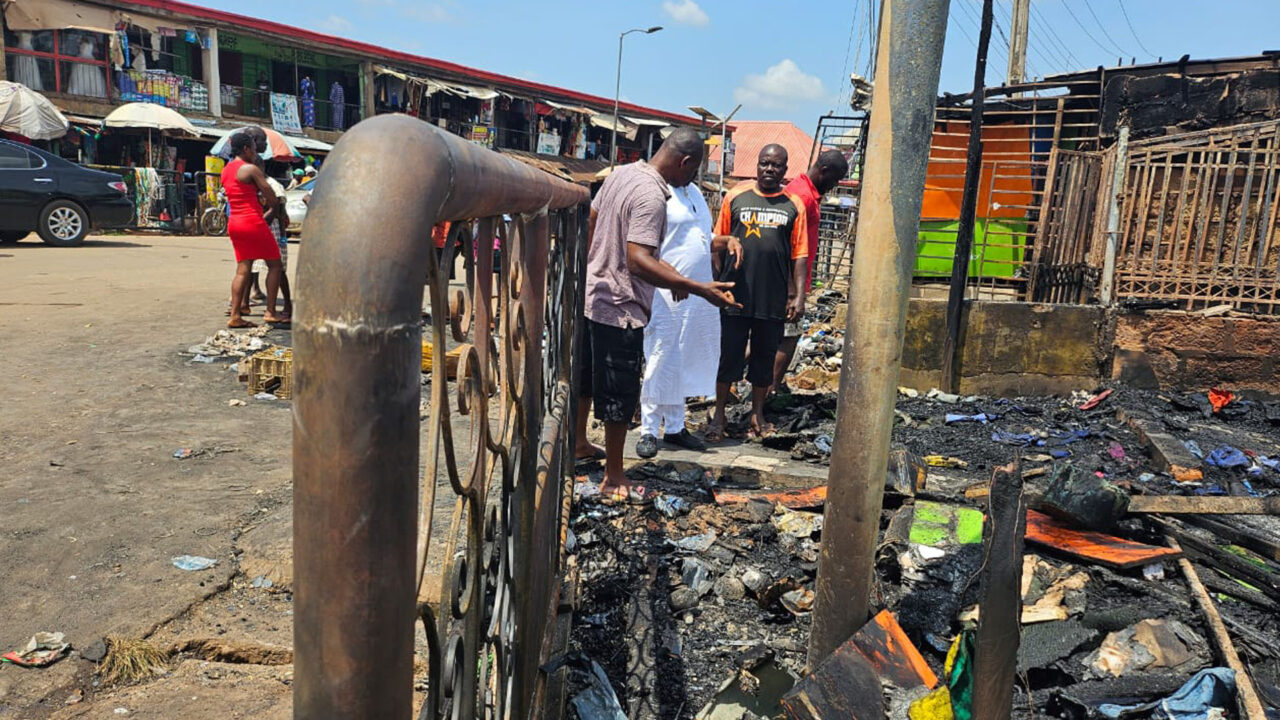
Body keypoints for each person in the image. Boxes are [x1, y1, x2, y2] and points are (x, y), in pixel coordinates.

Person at [574, 128, 740, 502]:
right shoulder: (653, 194)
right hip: (620, 304)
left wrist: (597, 262)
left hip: (593, 292)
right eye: (693, 171)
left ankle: (579, 443)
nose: (691, 180)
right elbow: (638, 260)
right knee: (619, 392)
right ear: (684, 163)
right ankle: (614, 476)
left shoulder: (622, 174)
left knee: (586, 377)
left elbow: (593, 221)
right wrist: (699, 288)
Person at [634, 179, 742, 459]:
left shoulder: (693, 192)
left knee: (683, 358)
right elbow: (648, 249)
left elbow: (703, 239)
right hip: (667, 290)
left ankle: (675, 427)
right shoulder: (658, 194)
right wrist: (675, 279)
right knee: (660, 356)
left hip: (697, 291)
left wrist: (726, 240)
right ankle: (648, 430)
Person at [707, 144, 808, 440]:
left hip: (772, 296)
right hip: (735, 294)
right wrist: (716, 282)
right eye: (764, 163)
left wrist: (798, 296)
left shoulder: (794, 205)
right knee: (728, 356)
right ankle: (719, 415)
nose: (769, 169)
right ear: (757, 165)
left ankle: (757, 414)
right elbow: (717, 242)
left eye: (776, 165)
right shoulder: (736, 196)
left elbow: (800, 255)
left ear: (784, 170)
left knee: (764, 357)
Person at [772, 150, 850, 390]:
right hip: (788, 284)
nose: (835, 186)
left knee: (776, 336)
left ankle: (761, 388)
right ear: (823, 171)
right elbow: (785, 244)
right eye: (835, 180)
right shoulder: (802, 197)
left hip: (790, 282)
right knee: (788, 336)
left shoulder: (804, 193)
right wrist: (793, 292)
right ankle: (768, 390)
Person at [221, 130, 286, 328]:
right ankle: (270, 312)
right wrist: (275, 210)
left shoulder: (227, 170)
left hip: (235, 223)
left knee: (243, 269)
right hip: (252, 222)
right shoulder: (250, 169)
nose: (256, 154)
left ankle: (235, 315)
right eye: (255, 149)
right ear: (246, 149)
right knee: (275, 265)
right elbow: (271, 196)